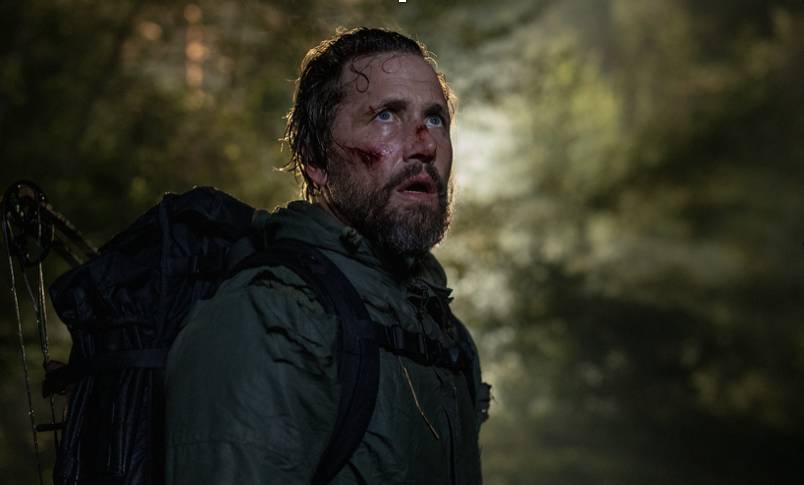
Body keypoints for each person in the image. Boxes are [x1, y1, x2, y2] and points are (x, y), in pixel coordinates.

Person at [164, 27, 490, 484]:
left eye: (435, 119)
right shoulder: (271, 317)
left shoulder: (442, 330)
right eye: (386, 116)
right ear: (315, 159)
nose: (424, 144)